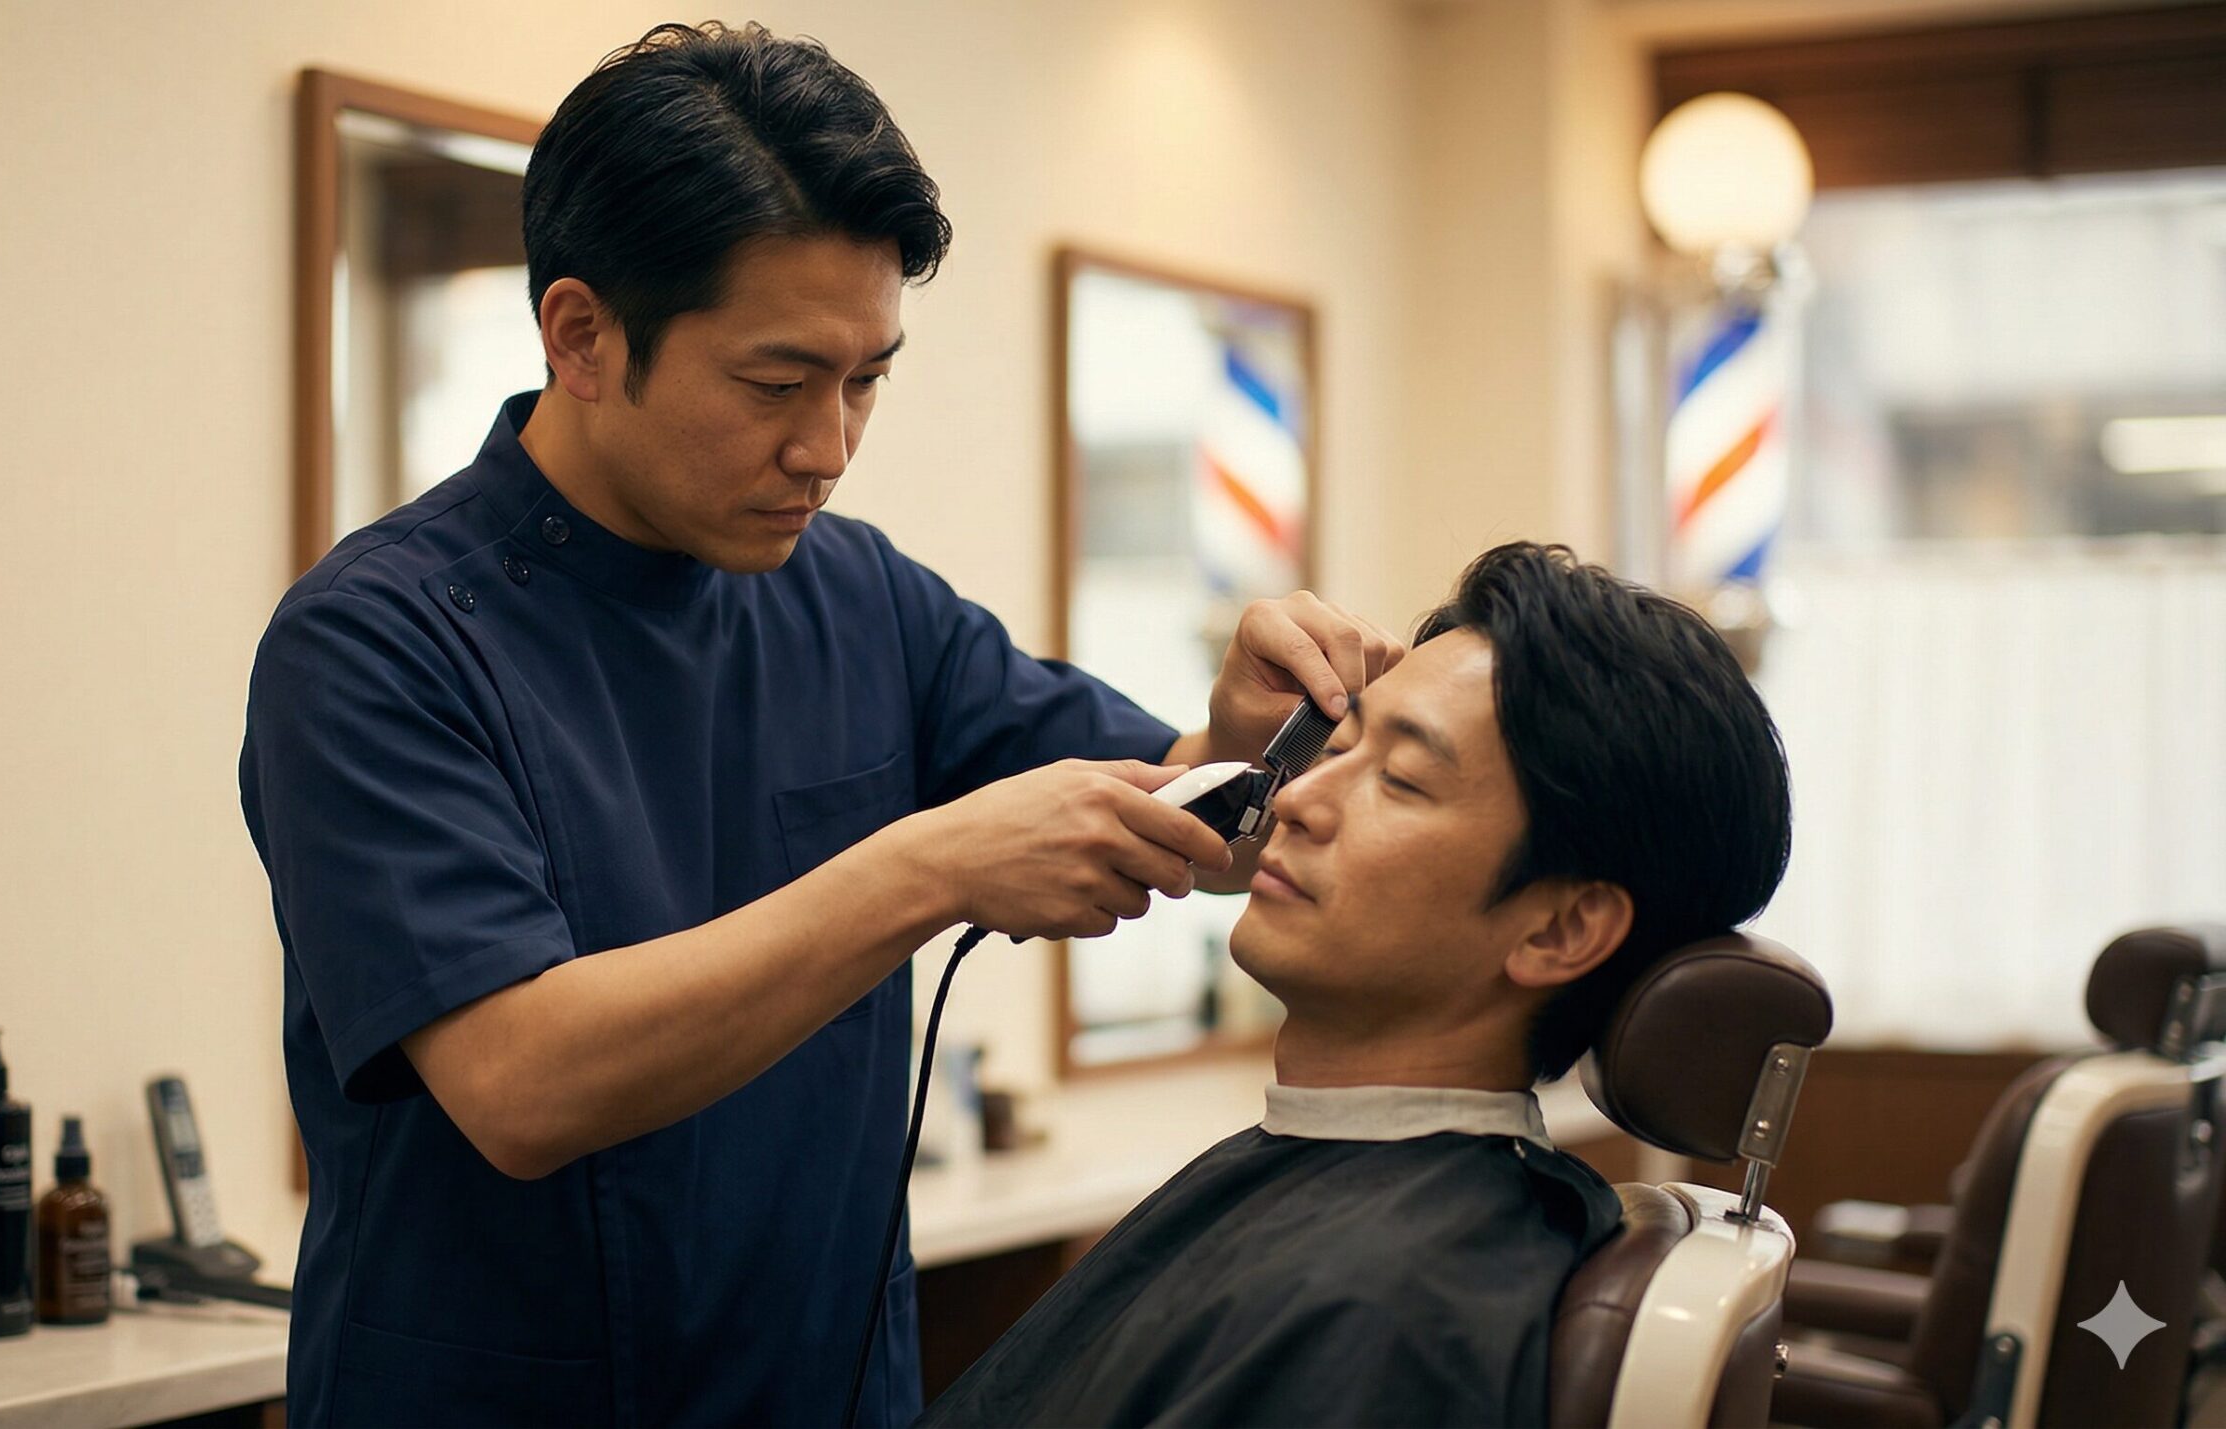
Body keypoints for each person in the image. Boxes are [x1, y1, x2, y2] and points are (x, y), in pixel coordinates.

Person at [239, 22, 1394, 1428]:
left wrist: (1241, 744)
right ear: (582, 336)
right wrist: (928, 867)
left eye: (867, 383)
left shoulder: (857, 598)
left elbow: (1182, 829)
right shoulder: (379, 641)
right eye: (777, 385)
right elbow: (520, 1079)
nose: (828, 450)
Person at [919, 542, 1794, 1428]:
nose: (1297, 800)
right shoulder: (1357, 1204)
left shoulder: (1387, 1312)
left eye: (1402, 779)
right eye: (1337, 745)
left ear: (1560, 929)